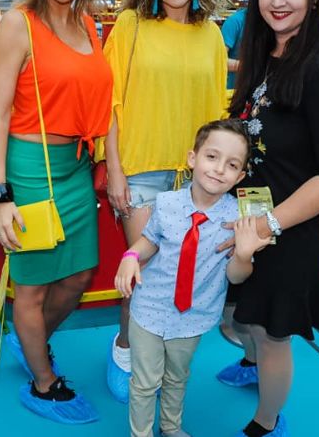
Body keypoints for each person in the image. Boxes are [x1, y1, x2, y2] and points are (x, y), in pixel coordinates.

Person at [223, 0, 319, 437]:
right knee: (238, 317)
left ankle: (266, 422)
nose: (278, 1)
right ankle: (251, 365)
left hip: (288, 231)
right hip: (249, 222)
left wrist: (268, 225)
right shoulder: (267, 54)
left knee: (269, 333)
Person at [0, 0, 112, 425]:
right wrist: (1, 195)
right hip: (30, 168)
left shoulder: (89, 25)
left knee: (78, 274)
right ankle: (43, 384)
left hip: (76, 167)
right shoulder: (18, 23)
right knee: (33, 287)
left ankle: (30, 340)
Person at [102, 0, 230, 404]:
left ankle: (157, 364)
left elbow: (216, 115)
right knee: (143, 275)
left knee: (179, 276)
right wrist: (114, 170)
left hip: (194, 180)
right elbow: (109, 104)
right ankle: (124, 350)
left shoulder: (212, 35)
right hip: (140, 171)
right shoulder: (130, 26)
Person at [115, 119, 270, 437]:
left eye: (232, 165)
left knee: (177, 376)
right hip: (149, 308)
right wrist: (130, 257)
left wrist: (243, 255)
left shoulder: (238, 219)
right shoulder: (166, 203)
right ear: (192, 158)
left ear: (240, 177)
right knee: (144, 383)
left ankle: (171, 427)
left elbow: (236, 277)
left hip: (193, 316)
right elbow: (149, 241)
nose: (219, 169)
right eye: (212, 157)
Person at [222, 7, 247, 90]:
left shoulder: (271, 22)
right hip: (235, 90)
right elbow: (219, 62)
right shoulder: (234, 21)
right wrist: (249, 66)